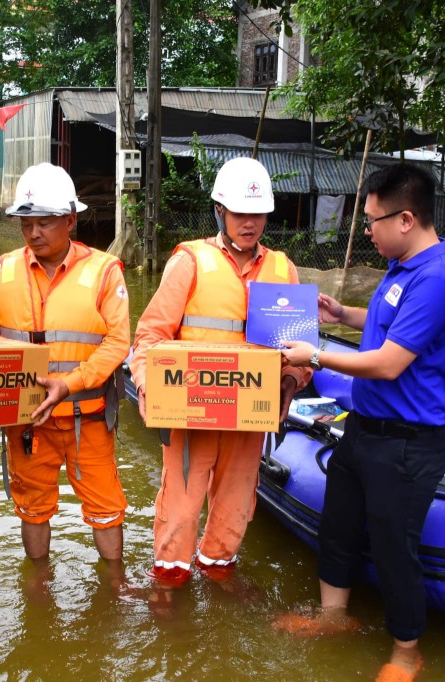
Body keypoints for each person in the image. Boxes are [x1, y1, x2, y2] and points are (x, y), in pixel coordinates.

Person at [277, 164, 445, 682]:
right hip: (365, 427)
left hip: (408, 441)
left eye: (372, 220)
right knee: (338, 526)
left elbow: (387, 362)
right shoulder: (403, 267)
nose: (367, 229)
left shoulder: (438, 279)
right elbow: (389, 320)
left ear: (406, 218)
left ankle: (407, 650)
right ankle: (333, 617)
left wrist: (315, 355)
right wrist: (344, 315)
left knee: (394, 547)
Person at [129, 157, 312, 594]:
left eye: (258, 214)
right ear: (219, 212)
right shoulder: (190, 262)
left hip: (249, 417)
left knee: (235, 505)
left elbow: (302, 354)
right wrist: (147, 384)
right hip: (192, 414)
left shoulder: (283, 269)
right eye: (240, 213)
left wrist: (291, 381)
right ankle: (169, 585)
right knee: (181, 506)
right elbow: (149, 337)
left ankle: (217, 571)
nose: (250, 223)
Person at [0, 162, 131, 563]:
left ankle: (113, 590)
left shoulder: (104, 271)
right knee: (31, 507)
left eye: (44, 222)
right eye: (26, 223)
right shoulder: (5, 271)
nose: (33, 232)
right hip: (25, 421)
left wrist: (69, 382)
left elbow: (118, 342)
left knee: (106, 510)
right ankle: (37, 591)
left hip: (86, 416)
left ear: (71, 220)